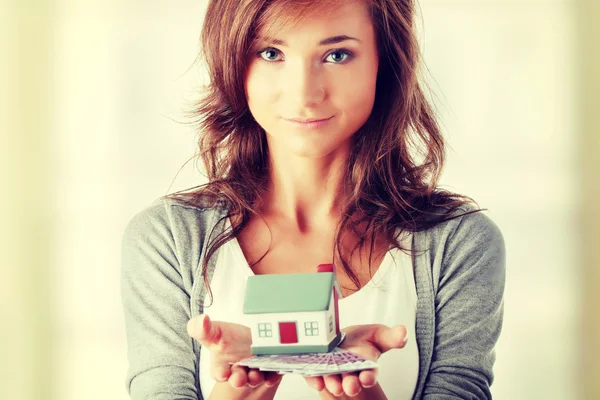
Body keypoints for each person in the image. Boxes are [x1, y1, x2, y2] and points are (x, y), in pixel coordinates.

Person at [120, 0, 506, 399]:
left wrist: (360, 394)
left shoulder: (459, 242)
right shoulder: (166, 238)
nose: (304, 94)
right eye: (271, 53)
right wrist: (238, 391)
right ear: (234, 63)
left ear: (385, 63)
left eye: (337, 55)